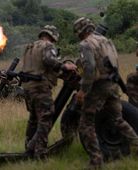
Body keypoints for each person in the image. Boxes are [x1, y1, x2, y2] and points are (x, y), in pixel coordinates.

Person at [73, 17, 138, 169]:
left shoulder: (86, 44)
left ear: (80, 31)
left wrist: (83, 90)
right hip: (113, 85)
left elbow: (89, 68)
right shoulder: (107, 41)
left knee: (85, 125)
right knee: (118, 120)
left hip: (98, 88)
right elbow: (114, 62)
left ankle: (96, 162)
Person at [22, 25, 77, 159]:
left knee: (34, 119)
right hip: (40, 87)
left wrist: (58, 73)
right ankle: (39, 152)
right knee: (46, 118)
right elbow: (49, 60)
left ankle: (28, 146)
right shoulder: (47, 46)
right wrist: (65, 66)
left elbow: (39, 67)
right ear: (52, 36)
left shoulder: (30, 47)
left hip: (28, 87)